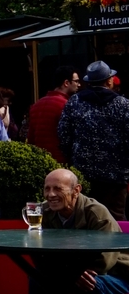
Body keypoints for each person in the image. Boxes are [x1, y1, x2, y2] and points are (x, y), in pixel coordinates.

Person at [24, 168, 127, 294]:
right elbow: (39, 253)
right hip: (74, 273)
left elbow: (106, 260)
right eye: (47, 189)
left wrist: (71, 273)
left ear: (76, 190)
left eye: (57, 189)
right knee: (37, 279)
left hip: (119, 274)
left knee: (92, 283)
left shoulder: (95, 212)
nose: (50, 194)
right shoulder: (43, 212)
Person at [57, 61, 129, 218]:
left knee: (84, 217)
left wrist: (74, 158)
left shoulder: (74, 102)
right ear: (109, 80)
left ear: (88, 81)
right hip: (115, 177)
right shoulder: (123, 104)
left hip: (83, 173)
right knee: (115, 220)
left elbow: (63, 136)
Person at [27, 64, 80, 159]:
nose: (79, 85)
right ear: (66, 83)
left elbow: (31, 138)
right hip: (60, 161)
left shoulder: (36, 105)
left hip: (40, 160)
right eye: (76, 81)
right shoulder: (67, 105)